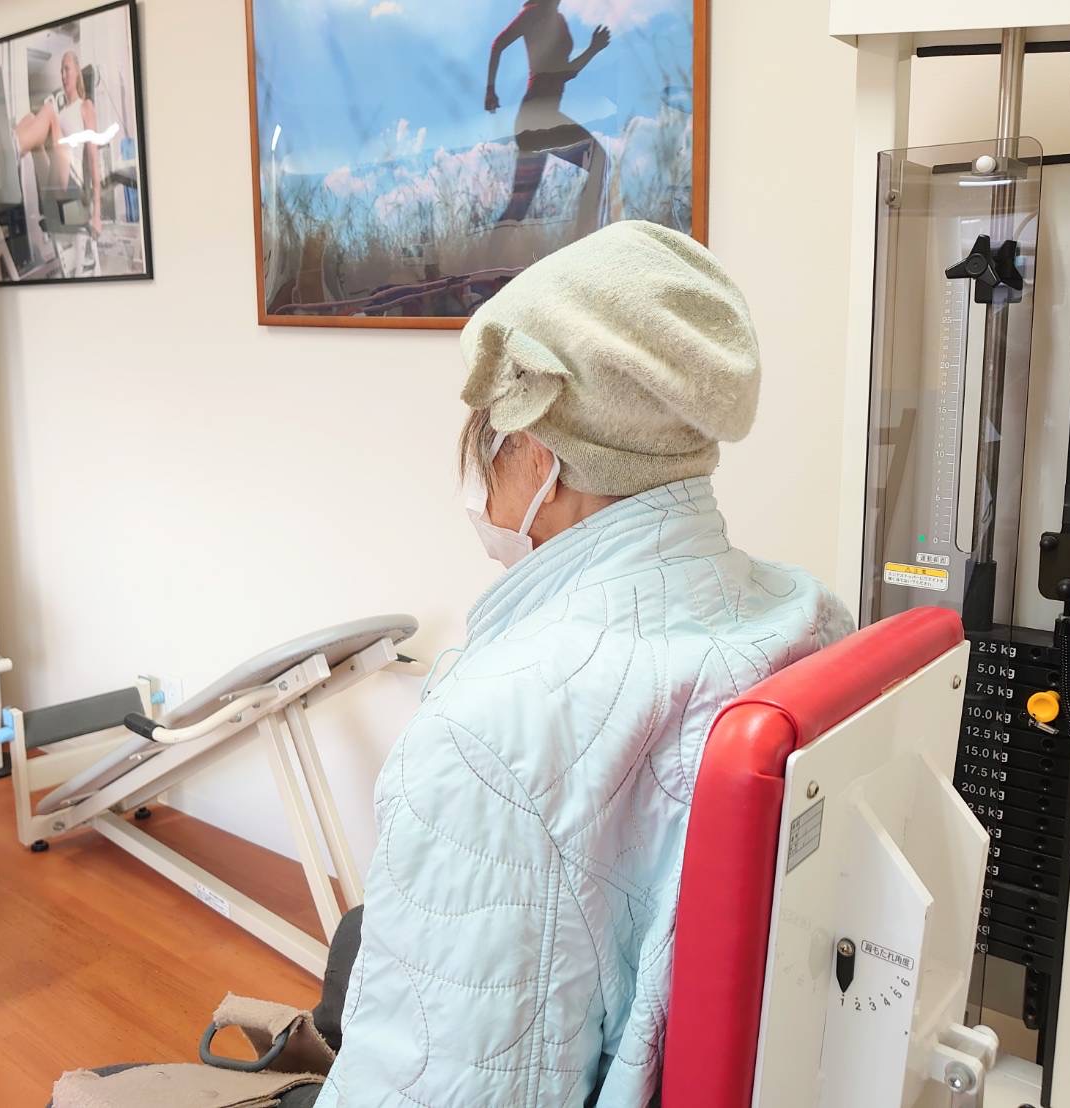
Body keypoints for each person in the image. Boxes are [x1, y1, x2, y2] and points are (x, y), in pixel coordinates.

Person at [312, 220, 852, 1105]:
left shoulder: (486, 736)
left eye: (487, 441)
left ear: (541, 459)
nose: (479, 475)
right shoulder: (806, 611)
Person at [486, 0, 612, 237]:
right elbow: (498, 44)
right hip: (536, 115)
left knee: (519, 207)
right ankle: (586, 238)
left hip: (540, 119)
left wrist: (593, 49)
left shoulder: (559, 20)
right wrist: (490, 90)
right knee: (599, 161)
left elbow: (565, 73)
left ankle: (489, 254)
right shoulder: (534, 13)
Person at [13, 49, 103, 239]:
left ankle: (14, 147)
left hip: (73, 185)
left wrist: (96, 214)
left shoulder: (85, 106)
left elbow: (93, 160)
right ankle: (12, 146)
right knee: (30, 117)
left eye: (67, 69)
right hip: (56, 183)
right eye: (61, 71)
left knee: (48, 110)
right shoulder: (61, 112)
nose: (63, 75)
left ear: (77, 71)